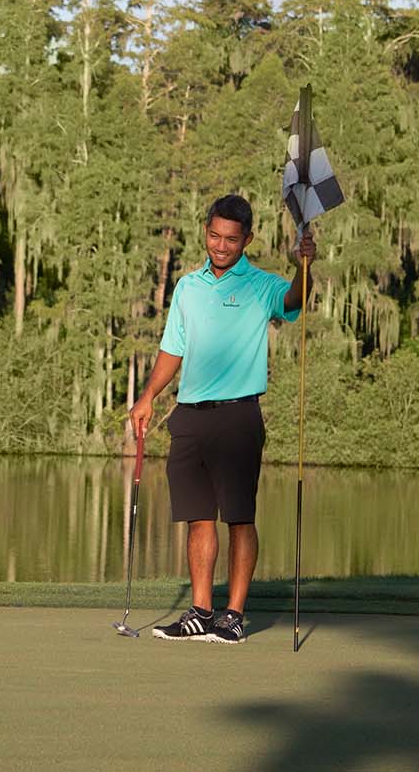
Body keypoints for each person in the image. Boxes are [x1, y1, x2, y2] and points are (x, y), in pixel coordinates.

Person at [129, 194, 314, 644]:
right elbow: (173, 349)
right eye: (214, 235)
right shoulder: (189, 288)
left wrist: (306, 266)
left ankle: (232, 616)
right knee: (197, 519)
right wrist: (148, 395)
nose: (221, 245)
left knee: (239, 518)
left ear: (247, 239)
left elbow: (295, 298)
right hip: (190, 416)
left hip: (237, 418)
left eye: (231, 238)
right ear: (206, 232)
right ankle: (200, 612)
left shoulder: (260, 285)